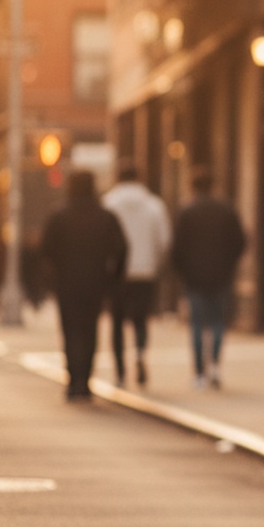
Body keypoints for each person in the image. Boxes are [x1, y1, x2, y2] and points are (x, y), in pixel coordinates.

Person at [40, 170, 128, 401]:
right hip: (95, 282)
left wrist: (53, 277)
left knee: (70, 330)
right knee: (90, 330)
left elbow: (46, 250)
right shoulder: (106, 217)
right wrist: (114, 279)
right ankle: (85, 380)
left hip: (67, 282)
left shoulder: (59, 216)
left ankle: (73, 379)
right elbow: (121, 249)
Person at [171, 166, 246, 389]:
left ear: (192, 187)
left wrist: (182, 271)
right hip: (221, 275)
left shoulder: (187, 212)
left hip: (195, 277)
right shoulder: (226, 210)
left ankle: (199, 373)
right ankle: (214, 364)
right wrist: (229, 264)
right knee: (216, 322)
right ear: (213, 186)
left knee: (197, 324)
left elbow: (177, 248)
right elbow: (240, 241)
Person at [103, 161, 172, 388]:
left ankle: (120, 370)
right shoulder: (153, 205)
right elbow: (164, 240)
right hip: (145, 270)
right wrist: (156, 264)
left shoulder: (109, 203)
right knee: (141, 320)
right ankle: (140, 354)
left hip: (117, 273)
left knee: (117, 322)